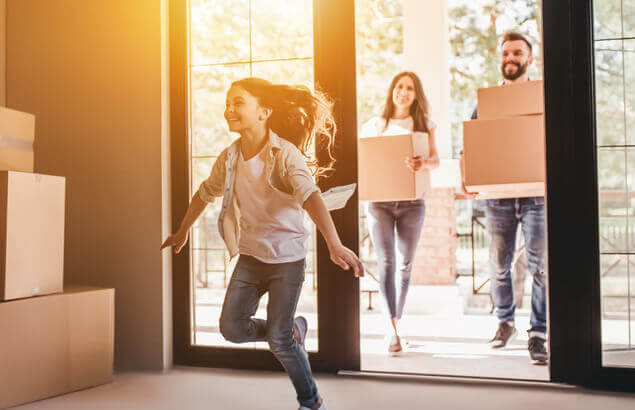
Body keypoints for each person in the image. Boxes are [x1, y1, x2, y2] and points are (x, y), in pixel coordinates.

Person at [161, 77, 363, 410]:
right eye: (228, 103)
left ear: (264, 111)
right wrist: (183, 230)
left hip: (287, 259)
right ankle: (291, 329)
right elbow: (204, 193)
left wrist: (334, 244)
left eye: (238, 102)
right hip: (252, 256)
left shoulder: (286, 154)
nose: (229, 110)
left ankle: (311, 403)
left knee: (279, 343)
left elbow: (311, 197)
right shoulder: (228, 158)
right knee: (232, 328)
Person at [460, 31, 548, 365]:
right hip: (497, 198)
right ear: (500, 59)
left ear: (530, 58)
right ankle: (505, 322)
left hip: (536, 195)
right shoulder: (486, 103)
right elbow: (470, 145)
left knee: (541, 267)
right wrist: (467, 178)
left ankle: (539, 332)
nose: (510, 58)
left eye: (517, 53)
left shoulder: (541, 98)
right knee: (498, 265)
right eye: (506, 53)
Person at [360, 71, 440, 354]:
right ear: (392, 91)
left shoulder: (424, 124)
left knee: (405, 265)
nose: (403, 92)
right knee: (387, 263)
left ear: (416, 94)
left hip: (411, 203)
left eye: (409, 88)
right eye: (399, 86)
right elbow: (364, 159)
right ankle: (390, 327)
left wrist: (423, 163)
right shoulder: (375, 125)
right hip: (379, 203)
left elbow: (435, 160)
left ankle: (396, 322)